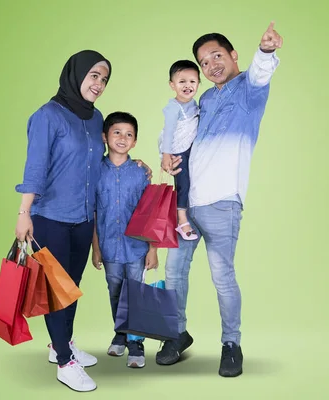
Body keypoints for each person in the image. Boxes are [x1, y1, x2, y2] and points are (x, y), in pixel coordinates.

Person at [14, 50, 156, 392]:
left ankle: (61, 343)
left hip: (83, 218)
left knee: (71, 287)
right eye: (94, 76)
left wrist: (138, 166)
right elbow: (35, 167)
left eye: (104, 79)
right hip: (50, 217)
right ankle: (65, 362)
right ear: (76, 74)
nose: (99, 84)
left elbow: (108, 160)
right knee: (54, 290)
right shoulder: (47, 116)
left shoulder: (96, 119)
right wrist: (23, 213)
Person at [155, 22, 283, 378]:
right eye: (203, 61)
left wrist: (267, 51)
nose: (210, 64)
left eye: (217, 55)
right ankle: (176, 334)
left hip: (223, 202)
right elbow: (183, 134)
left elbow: (260, 72)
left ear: (233, 55)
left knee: (222, 275)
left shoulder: (249, 88)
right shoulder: (206, 98)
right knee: (174, 272)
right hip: (188, 204)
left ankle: (231, 343)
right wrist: (165, 153)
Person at [90, 111, 159, 369]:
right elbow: (94, 212)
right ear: (105, 136)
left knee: (135, 293)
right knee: (115, 291)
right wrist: (95, 248)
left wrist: (153, 249)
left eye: (129, 134)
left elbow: (151, 213)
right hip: (108, 246)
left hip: (137, 247)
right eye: (117, 132)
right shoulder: (95, 171)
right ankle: (120, 332)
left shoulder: (141, 172)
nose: (122, 138)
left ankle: (136, 343)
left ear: (135, 141)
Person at [158, 60, 201, 240]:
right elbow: (168, 133)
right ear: (172, 85)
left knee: (193, 181)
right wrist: (166, 155)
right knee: (183, 185)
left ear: (198, 84)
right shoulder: (173, 108)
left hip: (191, 149)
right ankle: (181, 220)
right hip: (177, 150)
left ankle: (191, 213)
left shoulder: (195, 103)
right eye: (182, 81)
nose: (187, 86)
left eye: (192, 81)